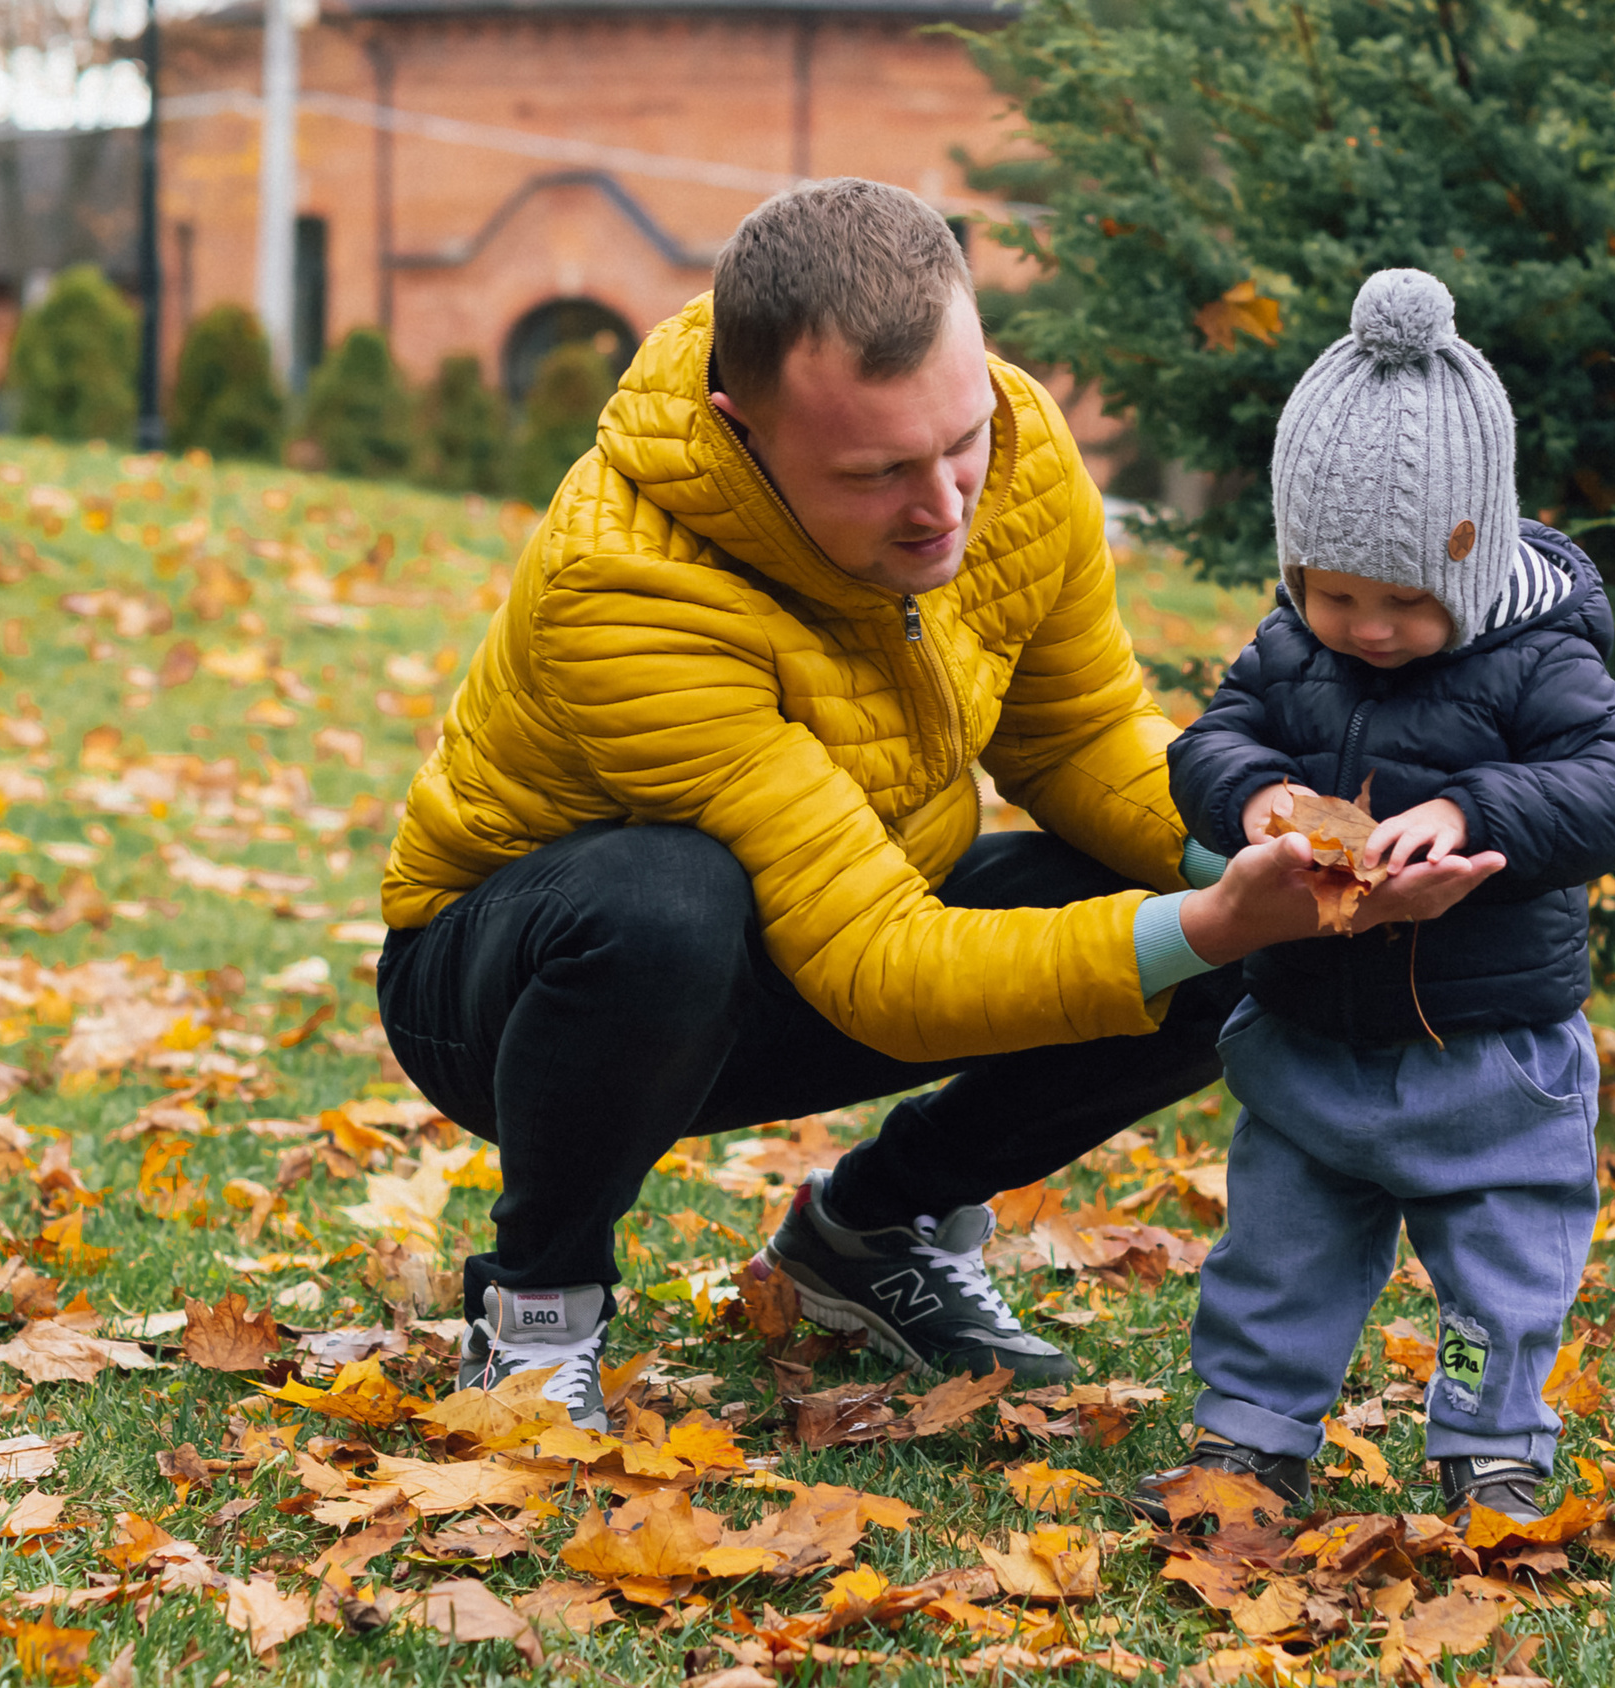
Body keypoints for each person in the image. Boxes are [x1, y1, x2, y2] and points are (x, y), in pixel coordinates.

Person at [372, 183, 1502, 1427]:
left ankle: (865, 1236)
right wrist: (1215, 919)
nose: (946, 503)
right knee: (665, 903)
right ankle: (538, 1310)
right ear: (740, 428)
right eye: (876, 472)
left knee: (1202, 932)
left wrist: (1268, 849)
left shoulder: (1014, 442)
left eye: (957, 440)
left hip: (832, 921)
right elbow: (874, 963)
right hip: (524, 991)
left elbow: (1076, 735)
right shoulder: (624, 580)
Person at [1133, 268, 1615, 1524]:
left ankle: (1490, 1446)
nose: (1365, 629)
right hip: (1311, 1031)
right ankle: (1251, 1441)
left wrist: (1470, 808)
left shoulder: (1542, 656)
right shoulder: (1287, 646)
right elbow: (1206, 744)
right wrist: (1256, 798)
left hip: (1489, 1052)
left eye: (1404, 602)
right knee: (1275, 1252)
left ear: (1470, 564)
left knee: (1498, 1266)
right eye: (1335, 596)